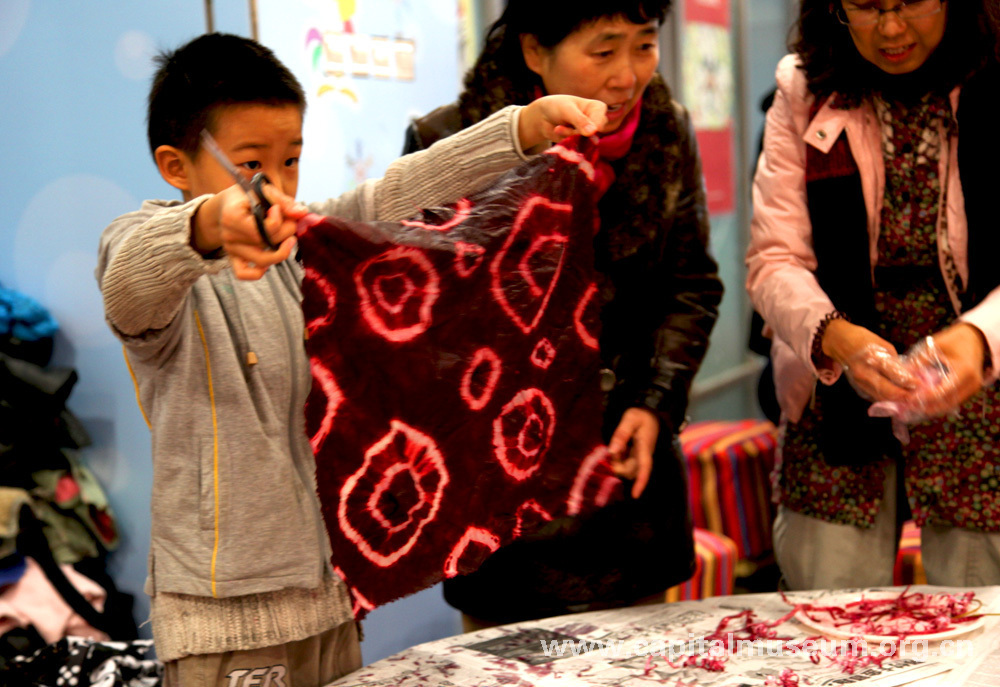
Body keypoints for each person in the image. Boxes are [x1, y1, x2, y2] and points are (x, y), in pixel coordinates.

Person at [95, 32, 606, 686]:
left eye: (290, 160)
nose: (278, 184)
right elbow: (131, 277)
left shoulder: (298, 246)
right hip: (223, 617)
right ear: (175, 165)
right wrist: (212, 223)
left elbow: (391, 195)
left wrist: (521, 130)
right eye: (251, 164)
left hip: (331, 593)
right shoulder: (149, 246)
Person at [404, 0, 723, 628]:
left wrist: (653, 403)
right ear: (533, 51)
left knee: (638, 667)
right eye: (603, 51)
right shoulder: (449, 141)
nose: (627, 75)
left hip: (632, 491)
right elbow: (429, 325)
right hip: (506, 503)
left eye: (644, 45)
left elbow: (690, 285)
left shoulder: (665, 129)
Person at [746, 0, 1000, 590]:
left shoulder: (993, 76)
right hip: (835, 378)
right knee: (830, 613)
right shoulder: (808, 87)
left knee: (981, 615)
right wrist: (837, 338)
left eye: (910, 2)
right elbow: (774, 258)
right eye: (864, 6)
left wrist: (979, 338)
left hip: (981, 379)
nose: (890, 28)